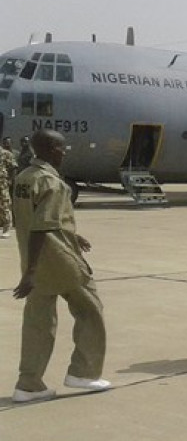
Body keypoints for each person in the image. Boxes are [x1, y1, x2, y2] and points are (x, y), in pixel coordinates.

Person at [11, 129, 110, 403]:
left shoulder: (25, 177)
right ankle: (84, 373)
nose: (63, 152)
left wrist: (71, 234)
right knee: (91, 310)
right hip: (57, 258)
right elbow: (42, 227)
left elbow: (35, 219)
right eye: (59, 148)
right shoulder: (51, 182)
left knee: (38, 323)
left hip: (35, 259)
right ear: (47, 149)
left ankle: (28, 385)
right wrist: (31, 272)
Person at [0, 138, 15, 238]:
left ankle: (6, 228)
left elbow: (13, 167)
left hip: (2, 183)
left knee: (5, 204)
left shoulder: (6, 154)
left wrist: (10, 180)